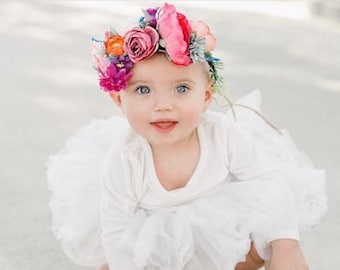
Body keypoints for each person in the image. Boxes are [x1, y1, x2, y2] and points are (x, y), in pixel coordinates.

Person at [47, 3, 327, 270]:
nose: (163, 105)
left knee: (262, 245)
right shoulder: (126, 157)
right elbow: (117, 228)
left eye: (181, 89)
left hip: (218, 219)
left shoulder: (224, 137)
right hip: (153, 231)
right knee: (116, 261)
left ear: (205, 96)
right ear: (119, 100)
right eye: (143, 90)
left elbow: (267, 181)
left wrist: (286, 242)